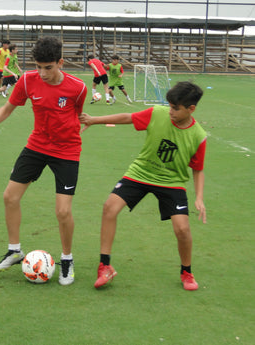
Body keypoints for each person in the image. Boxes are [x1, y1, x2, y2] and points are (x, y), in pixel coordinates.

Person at [79, 81, 207, 291]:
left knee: (183, 229)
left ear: (191, 109)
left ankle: (186, 272)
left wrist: (199, 197)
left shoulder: (199, 136)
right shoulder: (158, 113)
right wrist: (94, 120)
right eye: (170, 106)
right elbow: (128, 118)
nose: (171, 111)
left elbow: (198, 168)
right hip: (141, 173)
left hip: (171, 181)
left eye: (176, 108)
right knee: (109, 207)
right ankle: (105, 266)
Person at [0, 37, 87, 286]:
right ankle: (15, 251)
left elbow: (79, 115)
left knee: (63, 211)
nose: (42, 73)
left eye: (48, 67)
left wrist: (74, 131)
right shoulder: (27, 80)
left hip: (67, 151)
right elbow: (8, 107)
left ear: (60, 63)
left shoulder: (78, 87)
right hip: (37, 145)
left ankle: (67, 260)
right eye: (38, 66)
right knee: (10, 197)